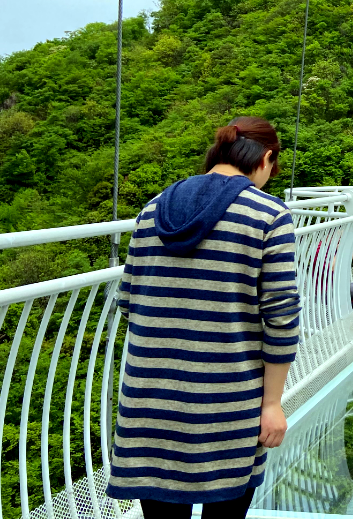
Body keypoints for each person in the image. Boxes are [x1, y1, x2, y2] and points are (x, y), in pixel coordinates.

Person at [107, 117, 299, 518]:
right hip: (227, 405)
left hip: (148, 401)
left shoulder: (153, 209)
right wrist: (272, 405)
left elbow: (128, 301)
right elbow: (280, 320)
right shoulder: (269, 216)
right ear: (265, 159)